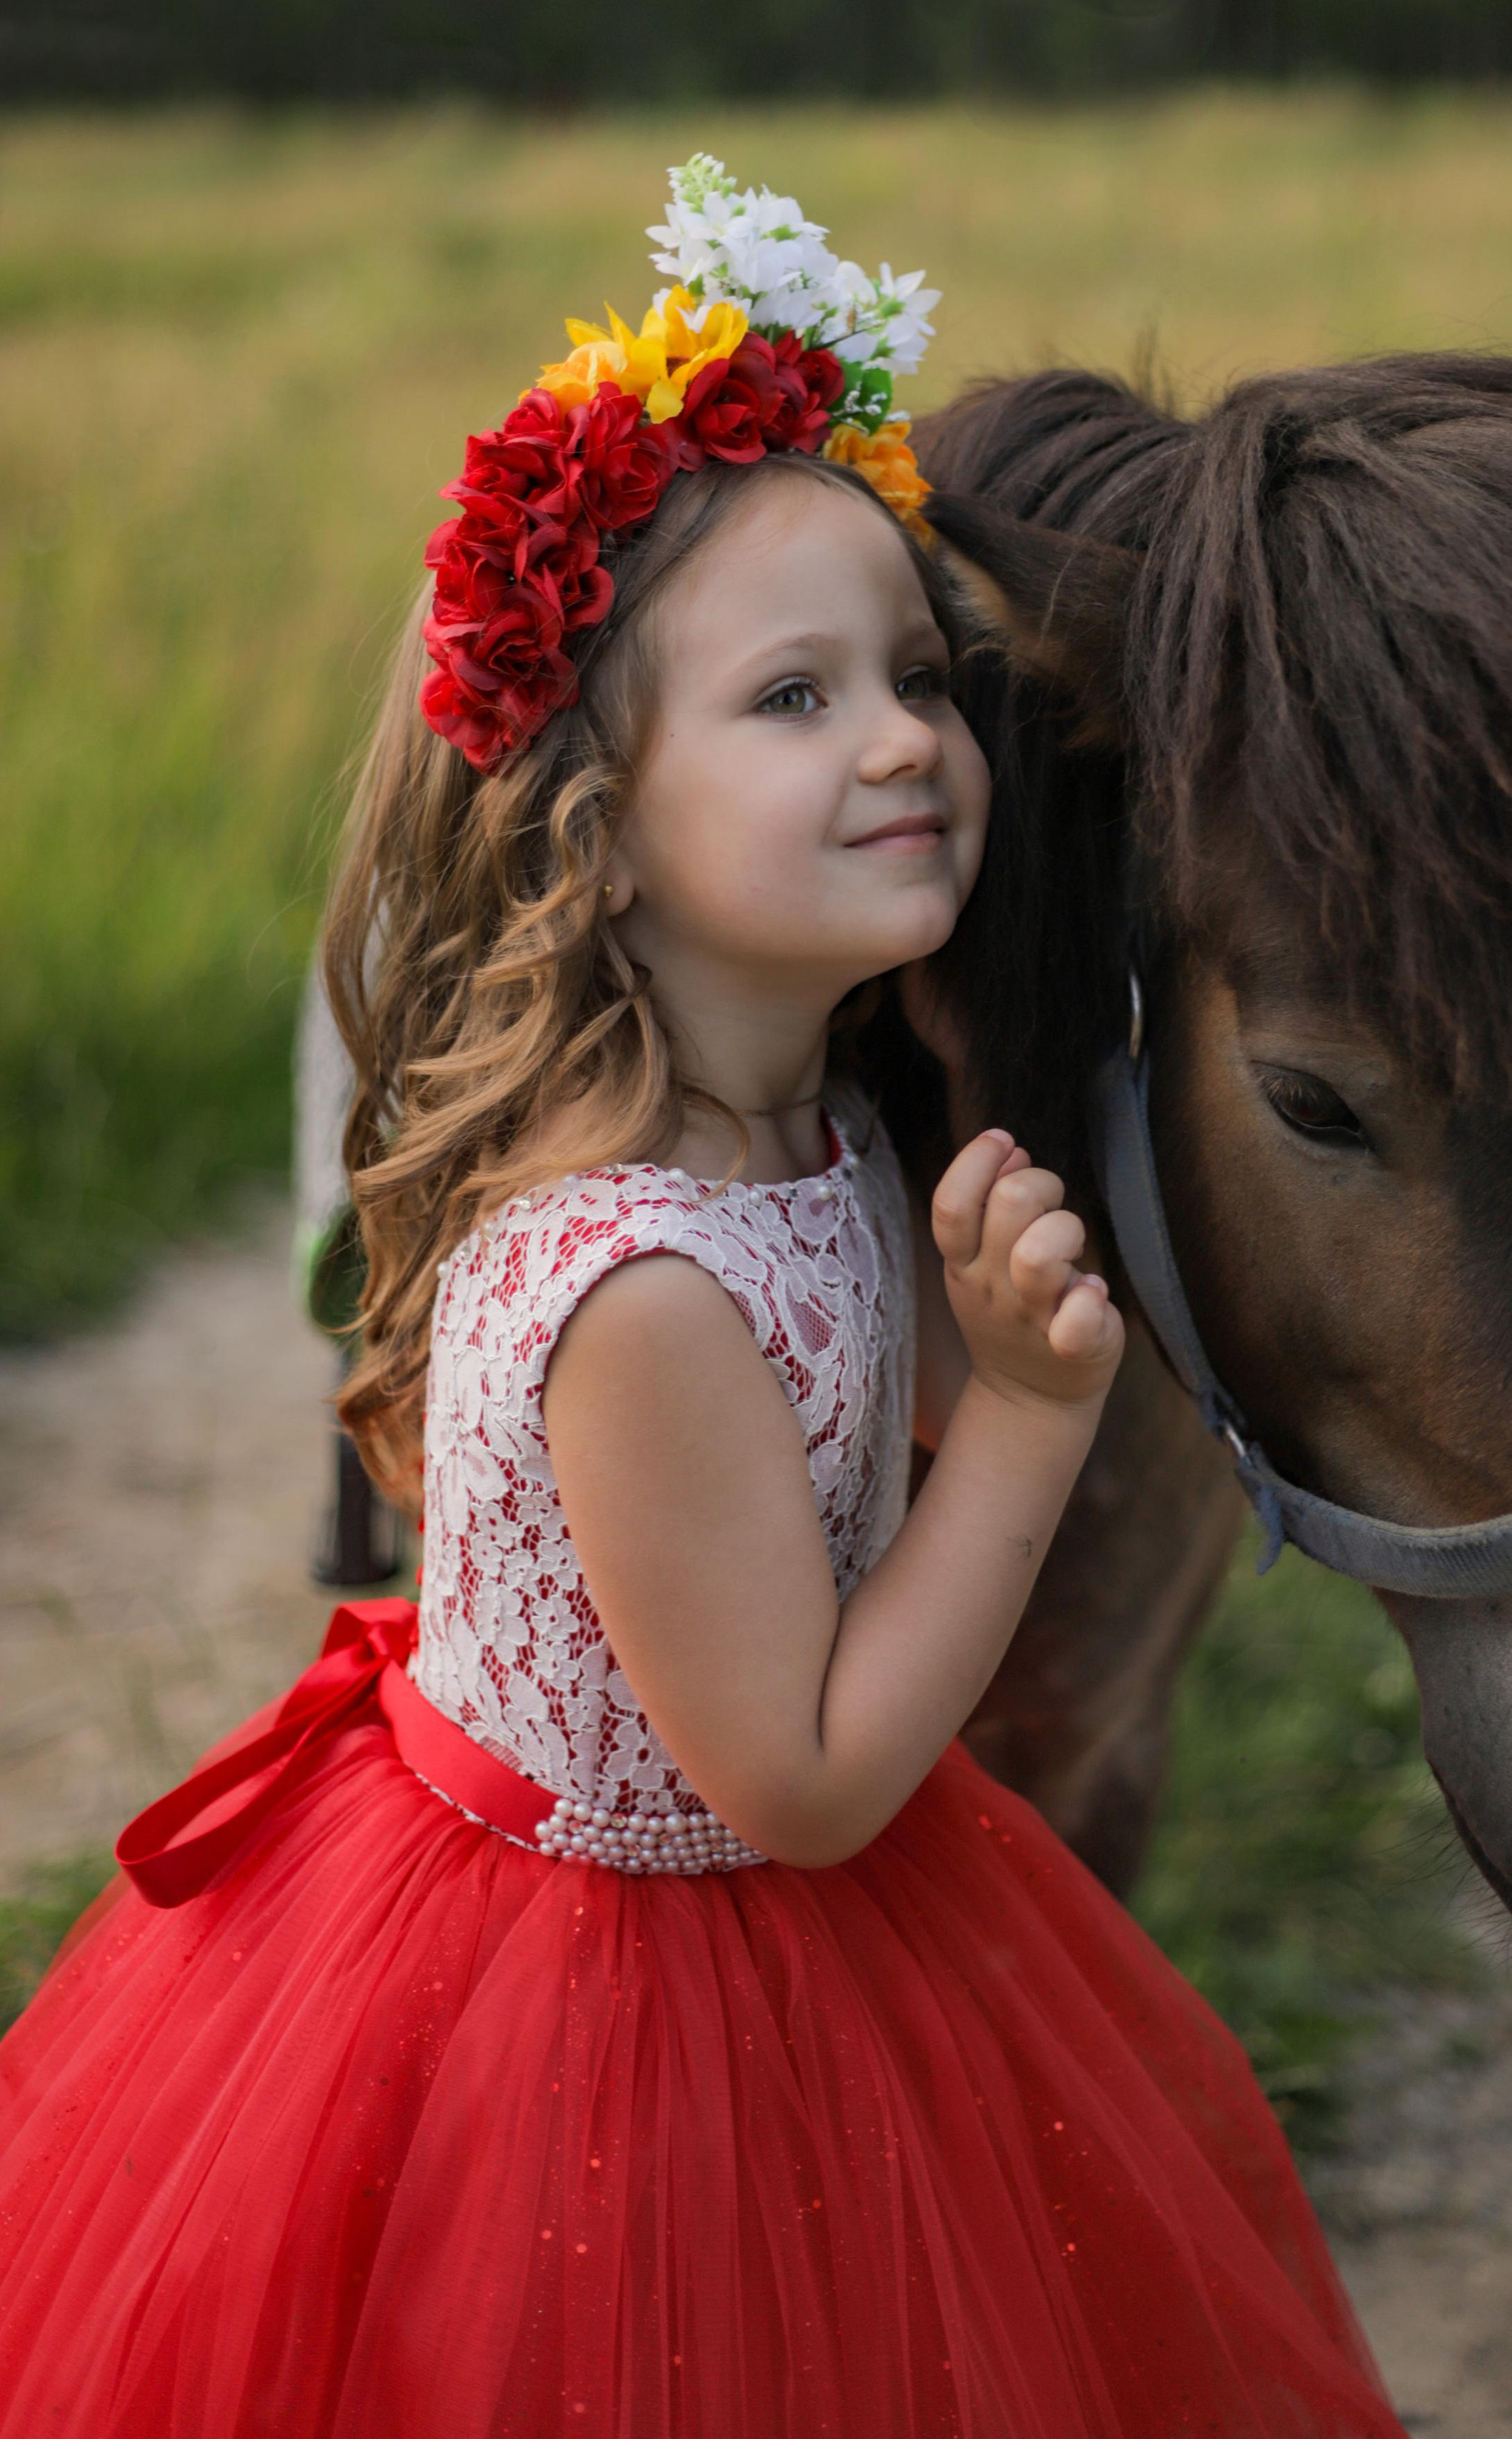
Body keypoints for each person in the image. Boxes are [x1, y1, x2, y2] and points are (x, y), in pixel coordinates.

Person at [0, 161, 1403, 2438]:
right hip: (593, 2005)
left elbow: (861, 1446)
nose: (904, 743)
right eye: (791, 696)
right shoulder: (629, 1273)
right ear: (601, 821)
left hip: (778, 1934)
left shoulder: (829, 1123)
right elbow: (818, 1775)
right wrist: (1039, 1427)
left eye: (917, 680)